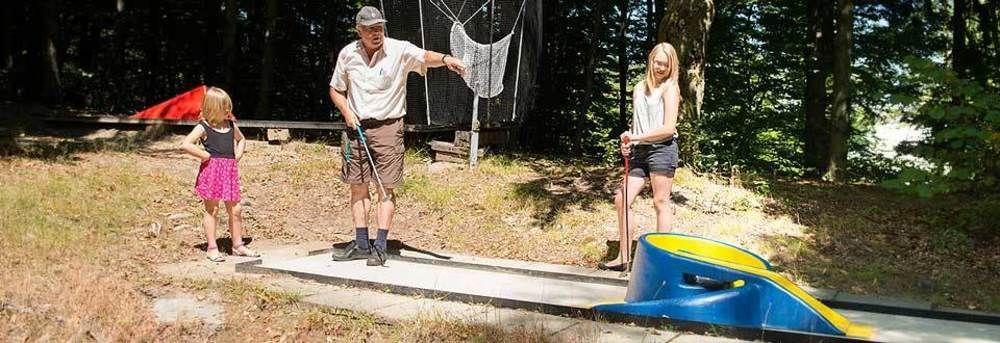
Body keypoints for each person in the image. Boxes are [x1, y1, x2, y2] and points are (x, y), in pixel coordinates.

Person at [329, 6, 466, 266]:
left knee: (385, 188)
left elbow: (425, 56)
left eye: (379, 27)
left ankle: (380, 246)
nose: (376, 33)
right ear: (359, 31)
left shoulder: (399, 49)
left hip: (388, 128)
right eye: (370, 28)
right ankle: (360, 243)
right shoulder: (348, 54)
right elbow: (336, 90)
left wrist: (447, 60)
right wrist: (346, 111)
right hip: (355, 129)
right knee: (357, 188)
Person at [599, 42, 682, 271]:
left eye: (665, 64)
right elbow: (637, 124)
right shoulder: (638, 88)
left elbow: (668, 128)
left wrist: (637, 138)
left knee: (660, 202)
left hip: (662, 148)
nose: (660, 67)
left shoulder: (670, 88)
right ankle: (624, 256)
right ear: (651, 60)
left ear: (671, 66)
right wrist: (628, 140)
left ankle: (661, 262)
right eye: (657, 62)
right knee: (621, 199)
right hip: (640, 151)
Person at [179, 87, 259, 262]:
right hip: (212, 172)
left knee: (236, 209)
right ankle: (212, 247)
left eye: (228, 106)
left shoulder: (230, 125)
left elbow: (241, 139)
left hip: (229, 173)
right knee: (212, 209)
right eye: (224, 107)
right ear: (213, 107)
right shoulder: (204, 127)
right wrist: (204, 155)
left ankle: (238, 245)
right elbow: (185, 144)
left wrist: (238, 154)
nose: (228, 110)